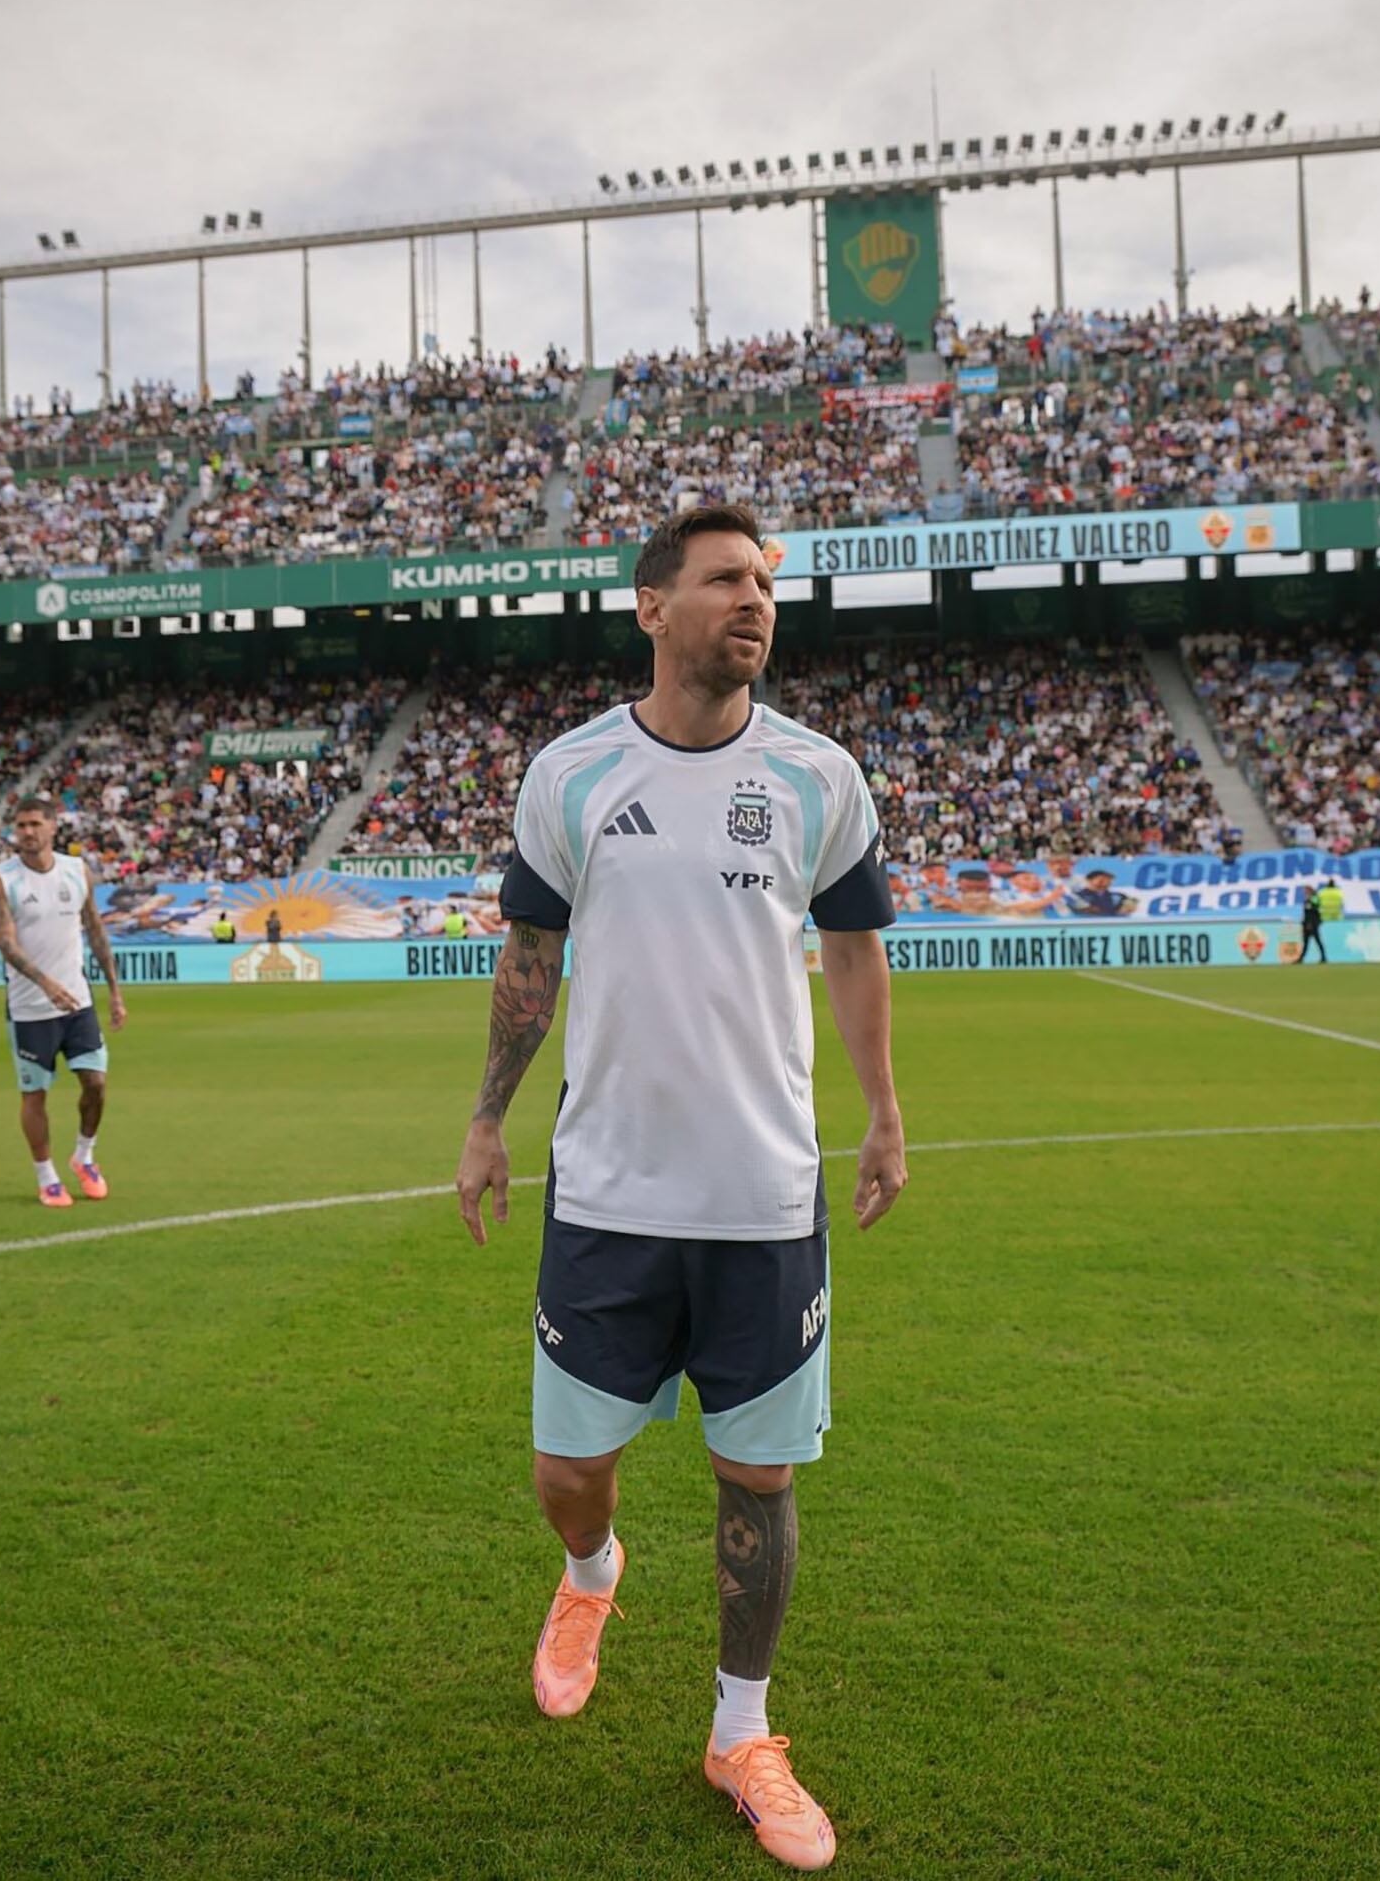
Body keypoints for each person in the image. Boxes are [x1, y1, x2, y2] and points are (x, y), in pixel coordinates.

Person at [455, 503, 905, 1873]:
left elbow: (856, 954)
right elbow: (530, 960)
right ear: (652, 605)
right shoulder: (572, 773)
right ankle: (592, 1573)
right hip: (604, 1199)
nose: (756, 601)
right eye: (724, 580)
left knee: (755, 1480)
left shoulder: (821, 775)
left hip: (766, 1201)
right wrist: (487, 1120)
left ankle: (740, 1731)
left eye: (767, 582)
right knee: (566, 1470)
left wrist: (884, 1117)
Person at [0, 799, 127, 1209]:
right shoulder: (0, 879)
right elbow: (5, 943)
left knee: (96, 1084)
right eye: (20, 825)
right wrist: (45, 984)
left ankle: (84, 1155)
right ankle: (46, 1176)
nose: (27, 832)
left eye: (34, 824)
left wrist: (114, 991)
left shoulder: (76, 870)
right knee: (35, 1095)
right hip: (30, 1008)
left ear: (52, 827)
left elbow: (95, 930)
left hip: (78, 1003)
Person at [1299, 882, 1326, 964]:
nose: (1304, 892)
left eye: (1305, 890)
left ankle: (1323, 957)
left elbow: (1315, 908)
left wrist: (1310, 923)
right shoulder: (1308, 898)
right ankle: (1301, 958)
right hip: (1307, 922)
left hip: (1312, 923)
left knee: (1317, 941)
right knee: (1307, 942)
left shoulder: (1314, 897)